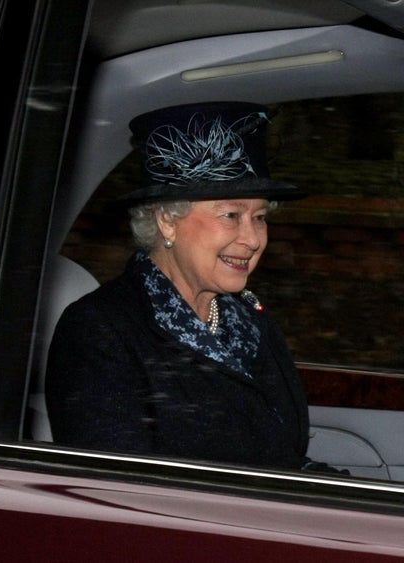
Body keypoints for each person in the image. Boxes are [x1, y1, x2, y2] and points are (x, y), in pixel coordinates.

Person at [46, 101, 329, 471]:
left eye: (259, 217)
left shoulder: (250, 319)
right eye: (231, 215)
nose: (253, 238)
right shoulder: (100, 330)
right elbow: (116, 492)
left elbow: (286, 461)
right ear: (167, 220)